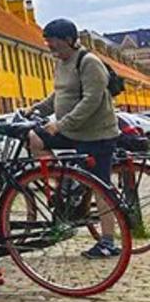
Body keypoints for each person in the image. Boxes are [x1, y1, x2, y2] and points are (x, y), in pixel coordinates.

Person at [25, 17, 122, 258]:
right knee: (34, 137)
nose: (50, 47)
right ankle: (63, 185)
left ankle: (107, 241)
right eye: (47, 42)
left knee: (101, 186)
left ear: (69, 40)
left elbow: (92, 100)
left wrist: (61, 124)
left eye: (54, 42)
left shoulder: (89, 62)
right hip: (72, 131)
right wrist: (36, 109)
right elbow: (59, 95)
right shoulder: (61, 63)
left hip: (96, 133)